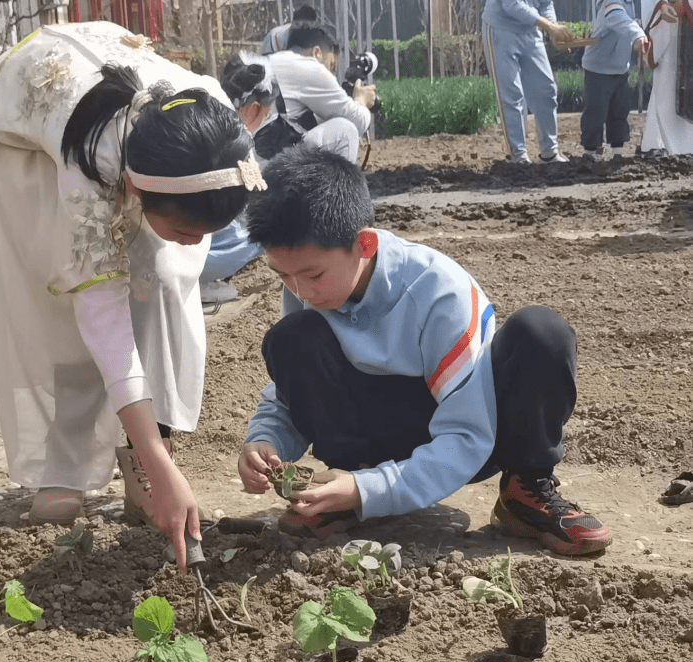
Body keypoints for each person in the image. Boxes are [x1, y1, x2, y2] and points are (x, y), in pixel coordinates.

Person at [0, 21, 263, 573]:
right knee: (66, 296)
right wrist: (160, 465)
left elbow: (185, 236)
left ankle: (144, 460)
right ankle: (68, 463)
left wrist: (154, 458)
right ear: (134, 186)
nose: (198, 243)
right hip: (25, 122)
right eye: (187, 228)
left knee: (166, 277)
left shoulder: (213, 123)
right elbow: (101, 317)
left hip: (118, 88)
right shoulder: (89, 167)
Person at [237, 144, 613, 556]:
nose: (299, 290)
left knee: (542, 332)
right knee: (292, 335)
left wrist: (371, 490)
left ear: (363, 244)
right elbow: (288, 389)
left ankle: (525, 492)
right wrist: (265, 441)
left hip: (467, 433)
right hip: (375, 437)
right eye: (284, 276)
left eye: (311, 275)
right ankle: (347, 487)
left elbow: (468, 434)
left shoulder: (438, 292)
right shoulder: (309, 286)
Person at [201, 52, 280, 306]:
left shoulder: (207, 119)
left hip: (175, 235)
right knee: (268, 228)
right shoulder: (238, 141)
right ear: (254, 109)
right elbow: (257, 193)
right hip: (196, 251)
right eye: (267, 111)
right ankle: (200, 281)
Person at [255, 21, 376, 163]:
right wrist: (361, 100)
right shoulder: (308, 66)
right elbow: (357, 121)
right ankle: (341, 186)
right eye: (331, 66)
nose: (331, 74)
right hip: (269, 164)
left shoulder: (270, 61)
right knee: (345, 130)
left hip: (248, 156)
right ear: (317, 53)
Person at [481, 0, 574, 164]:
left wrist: (553, 28)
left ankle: (550, 153)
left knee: (546, 90)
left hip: (531, 31)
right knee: (511, 94)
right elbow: (512, 5)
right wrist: (550, 27)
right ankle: (518, 156)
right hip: (500, 30)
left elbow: (546, 4)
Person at [580, 1, 649, 161]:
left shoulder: (630, 3)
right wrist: (638, 34)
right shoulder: (610, 3)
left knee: (620, 111)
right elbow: (617, 17)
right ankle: (590, 152)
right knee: (596, 112)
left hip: (620, 68)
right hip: (598, 69)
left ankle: (618, 153)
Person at [641, 0, 693, 154]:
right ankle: (679, 149)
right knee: (668, 88)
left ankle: (655, 144)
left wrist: (686, 5)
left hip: (685, 21)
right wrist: (662, 5)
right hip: (670, 25)